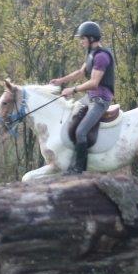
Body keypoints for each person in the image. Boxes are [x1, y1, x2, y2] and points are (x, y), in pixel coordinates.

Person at [48, 21, 115, 174]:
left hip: (100, 100)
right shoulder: (92, 54)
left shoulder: (102, 57)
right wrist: (61, 81)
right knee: (69, 118)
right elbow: (80, 72)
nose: (81, 41)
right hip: (90, 97)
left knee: (81, 132)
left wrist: (73, 89)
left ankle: (79, 169)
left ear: (91, 38)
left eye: (82, 38)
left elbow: (94, 82)